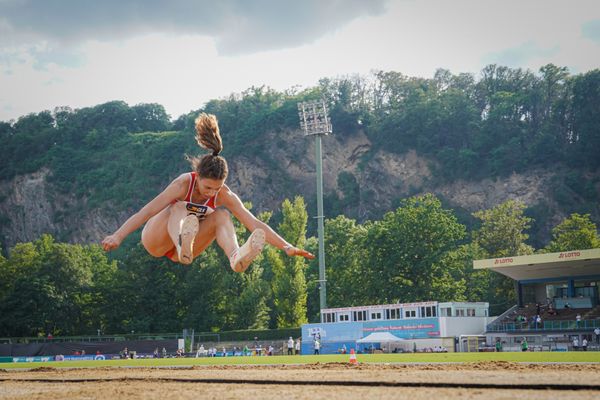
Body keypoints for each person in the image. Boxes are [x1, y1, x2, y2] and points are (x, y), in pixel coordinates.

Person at [102, 113, 315, 271]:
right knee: (180, 206)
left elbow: (254, 223)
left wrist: (286, 246)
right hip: (156, 239)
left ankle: (236, 256)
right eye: (207, 188)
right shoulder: (182, 185)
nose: (212, 194)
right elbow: (146, 212)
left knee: (222, 214)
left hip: (188, 251)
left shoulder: (224, 195)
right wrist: (118, 235)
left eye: (217, 188)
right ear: (197, 177)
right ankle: (181, 241)